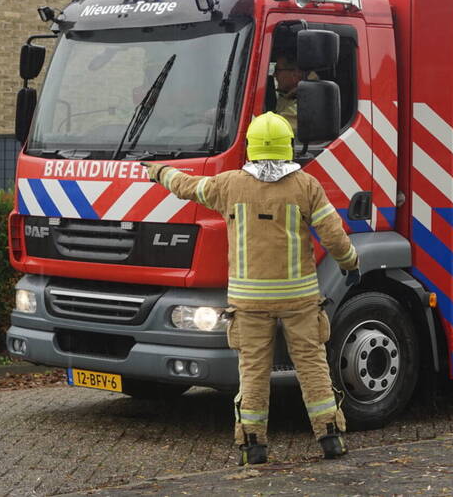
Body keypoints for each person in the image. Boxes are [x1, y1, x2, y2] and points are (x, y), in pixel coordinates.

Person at [144, 112, 360, 465]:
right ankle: (330, 436)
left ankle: (253, 444)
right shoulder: (306, 186)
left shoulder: (229, 185)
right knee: (311, 365)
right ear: (287, 147)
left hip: (249, 302)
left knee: (254, 370)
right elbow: (334, 236)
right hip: (299, 300)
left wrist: (159, 172)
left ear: (251, 148)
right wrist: (351, 263)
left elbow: (187, 186)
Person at [273, 54, 305, 132]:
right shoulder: (287, 95)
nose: (274, 75)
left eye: (277, 70)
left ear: (295, 74)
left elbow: (275, 128)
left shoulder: (304, 102)